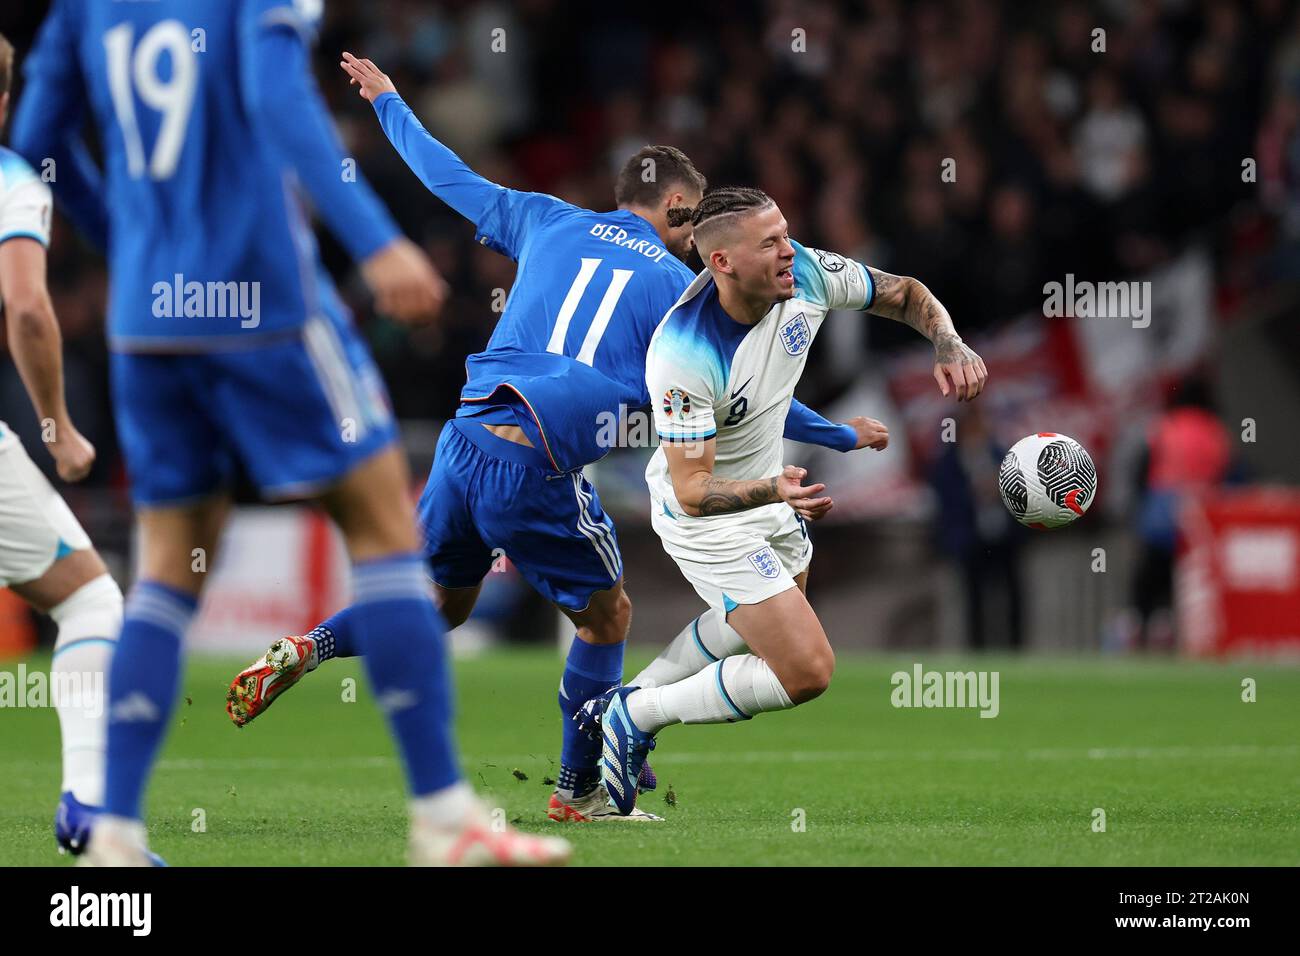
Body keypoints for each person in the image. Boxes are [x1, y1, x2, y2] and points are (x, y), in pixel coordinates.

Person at [224, 52, 887, 824]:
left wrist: (390, 102)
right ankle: (580, 793)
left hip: (465, 434)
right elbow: (748, 402)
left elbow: (446, 180)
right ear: (674, 203)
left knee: (440, 604)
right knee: (608, 617)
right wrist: (836, 432)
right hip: (536, 457)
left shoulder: (546, 217)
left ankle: (310, 647)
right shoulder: (683, 297)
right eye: (694, 214)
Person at [14, 0, 568, 866]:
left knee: (163, 570)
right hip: (264, 303)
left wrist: (127, 235)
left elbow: (35, 135)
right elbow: (278, 96)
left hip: (148, 324)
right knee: (386, 527)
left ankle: (113, 834)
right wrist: (377, 243)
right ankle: (443, 818)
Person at [586, 187, 987, 812]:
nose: (787, 251)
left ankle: (620, 701)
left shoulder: (804, 273)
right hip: (705, 516)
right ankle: (636, 715)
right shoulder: (683, 354)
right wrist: (773, 487)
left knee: (755, 628)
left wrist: (948, 343)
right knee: (804, 670)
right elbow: (692, 492)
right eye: (769, 242)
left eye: (786, 232)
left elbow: (905, 294)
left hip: (771, 492)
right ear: (722, 263)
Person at [0, 32, 143, 859]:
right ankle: (89, 807)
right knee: (90, 601)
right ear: (5, 102)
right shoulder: (14, 179)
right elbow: (26, 307)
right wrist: (56, 423)